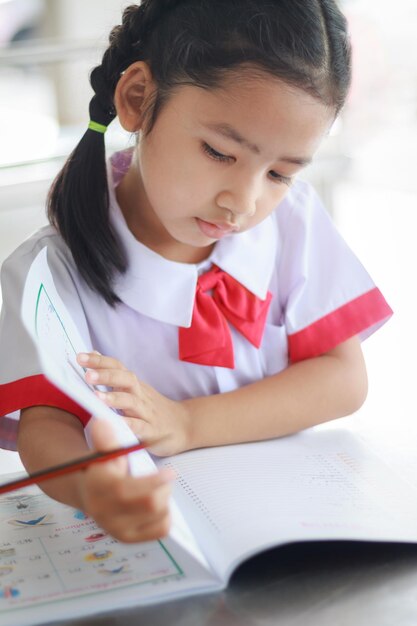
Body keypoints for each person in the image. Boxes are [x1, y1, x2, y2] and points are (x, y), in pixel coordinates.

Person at [0, 0, 392, 543]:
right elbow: (46, 429)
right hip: (157, 539)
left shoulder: (292, 225)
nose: (243, 202)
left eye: (279, 173)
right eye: (218, 152)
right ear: (138, 99)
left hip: (288, 527)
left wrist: (187, 424)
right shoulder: (50, 271)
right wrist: (95, 487)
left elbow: (344, 378)